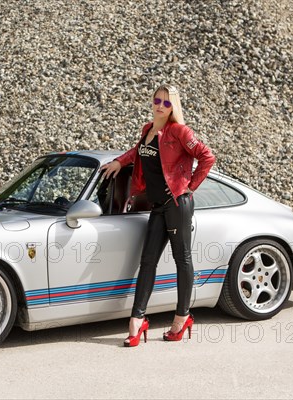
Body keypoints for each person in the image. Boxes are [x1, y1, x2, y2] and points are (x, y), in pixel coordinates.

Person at [100, 84, 215, 346]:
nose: (160, 106)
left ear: (173, 106)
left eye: (166, 103)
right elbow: (139, 153)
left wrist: (189, 186)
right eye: (157, 100)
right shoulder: (148, 130)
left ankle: (182, 317)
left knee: (182, 260)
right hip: (157, 206)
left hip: (177, 203)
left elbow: (207, 157)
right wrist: (120, 161)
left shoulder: (180, 131)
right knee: (148, 260)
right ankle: (137, 323)